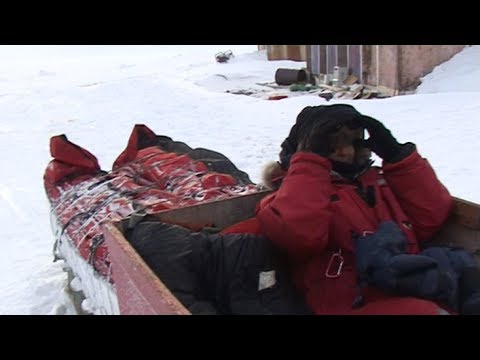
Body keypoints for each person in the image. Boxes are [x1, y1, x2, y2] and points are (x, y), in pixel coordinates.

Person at [251, 104, 480, 315]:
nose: (344, 152)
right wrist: (310, 164)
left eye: (350, 143)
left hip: (409, 283)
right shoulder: (283, 198)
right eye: (331, 147)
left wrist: (398, 158)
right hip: (347, 302)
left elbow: (432, 217)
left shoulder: (377, 182)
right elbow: (299, 236)